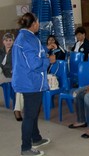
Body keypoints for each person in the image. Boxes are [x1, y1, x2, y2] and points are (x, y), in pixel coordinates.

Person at [12, 12, 54, 156]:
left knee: (33, 111)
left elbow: (35, 53)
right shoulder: (28, 39)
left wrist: (46, 49)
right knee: (30, 115)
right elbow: (34, 64)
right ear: (34, 24)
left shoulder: (24, 37)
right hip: (31, 82)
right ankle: (26, 148)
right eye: (37, 22)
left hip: (27, 80)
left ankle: (36, 138)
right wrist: (49, 61)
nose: (38, 25)